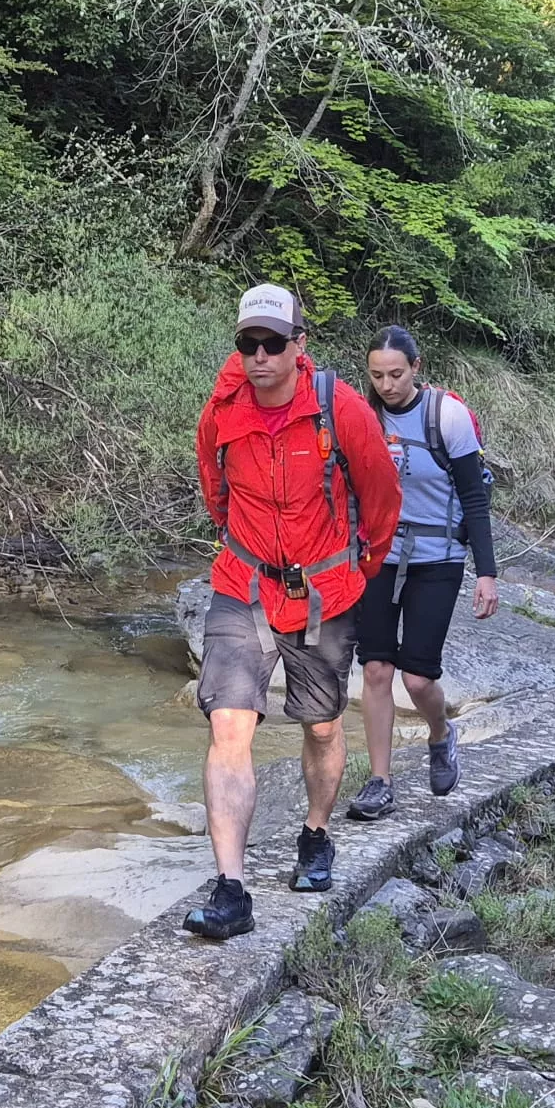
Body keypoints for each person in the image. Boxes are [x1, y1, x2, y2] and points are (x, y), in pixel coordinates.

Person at [181, 285, 402, 940]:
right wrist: (246, 549)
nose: (259, 356)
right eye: (248, 344)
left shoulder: (342, 410)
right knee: (229, 725)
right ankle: (232, 888)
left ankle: (315, 834)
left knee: (324, 728)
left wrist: (352, 571)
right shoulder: (220, 411)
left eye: (273, 343)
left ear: (298, 346)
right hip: (243, 585)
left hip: (324, 595)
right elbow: (214, 491)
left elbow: (381, 499)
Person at [345, 325, 498, 821]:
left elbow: (474, 496)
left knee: (416, 678)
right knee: (375, 669)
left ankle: (439, 732)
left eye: (395, 374)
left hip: (438, 557)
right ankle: (379, 781)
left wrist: (486, 572)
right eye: (377, 375)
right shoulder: (362, 415)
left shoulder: (446, 417)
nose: (386, 385)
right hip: (378, 555)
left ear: (416, 367)